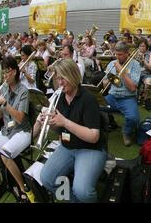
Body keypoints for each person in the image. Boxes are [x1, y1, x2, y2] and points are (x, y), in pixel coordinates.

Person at [36, 59, 107, 202]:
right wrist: (51, 123)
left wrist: (65, 122)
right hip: (67, 146)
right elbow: (59, 129)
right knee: (47, 178)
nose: (60, 82)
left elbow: (94, 136)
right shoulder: (59, 97)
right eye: (58, 78)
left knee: (83, 191)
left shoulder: (88, 99)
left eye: (64, 78)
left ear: (73, 76)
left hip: (90, 148)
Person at [0, 56, 33, 202]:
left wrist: (5, 103)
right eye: (3, 73)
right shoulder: (5, 88)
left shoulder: (24, 91)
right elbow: (0, 116)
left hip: (22, 131)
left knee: (4, 154)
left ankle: (22, 188)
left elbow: (20, 118)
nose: (4, 76)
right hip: (8, 130)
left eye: (6, 73)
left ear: (14, 72)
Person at [103, 41, 141, 147]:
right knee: (92, 105)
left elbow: (133, 88)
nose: (117, 57)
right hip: (112, 97)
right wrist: (108, 80)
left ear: (127, 53)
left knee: (134, 118)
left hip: (128, 98)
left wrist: (122, 72)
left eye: (120, 54)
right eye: (116, 54)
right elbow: (104, 84)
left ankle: (126, 132)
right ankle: (106, 125)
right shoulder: (112, 64)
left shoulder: (135, 65)